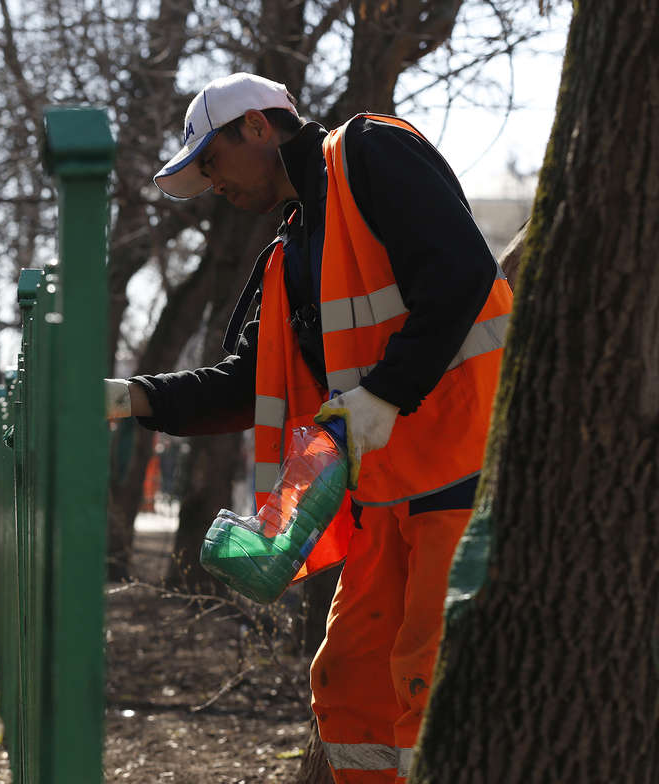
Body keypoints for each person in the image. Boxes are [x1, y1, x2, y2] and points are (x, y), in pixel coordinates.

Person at [105, 73, 512, 783]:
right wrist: (131, 399)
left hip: (463, 473)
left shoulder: (369, 152)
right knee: (350, 683)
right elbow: (245, 382)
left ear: (259, 127)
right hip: (387, 494)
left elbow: (461, 272)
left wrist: (385, 394)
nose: (212, 184)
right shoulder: (294, 251)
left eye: (211, 161)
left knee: (432, 678)